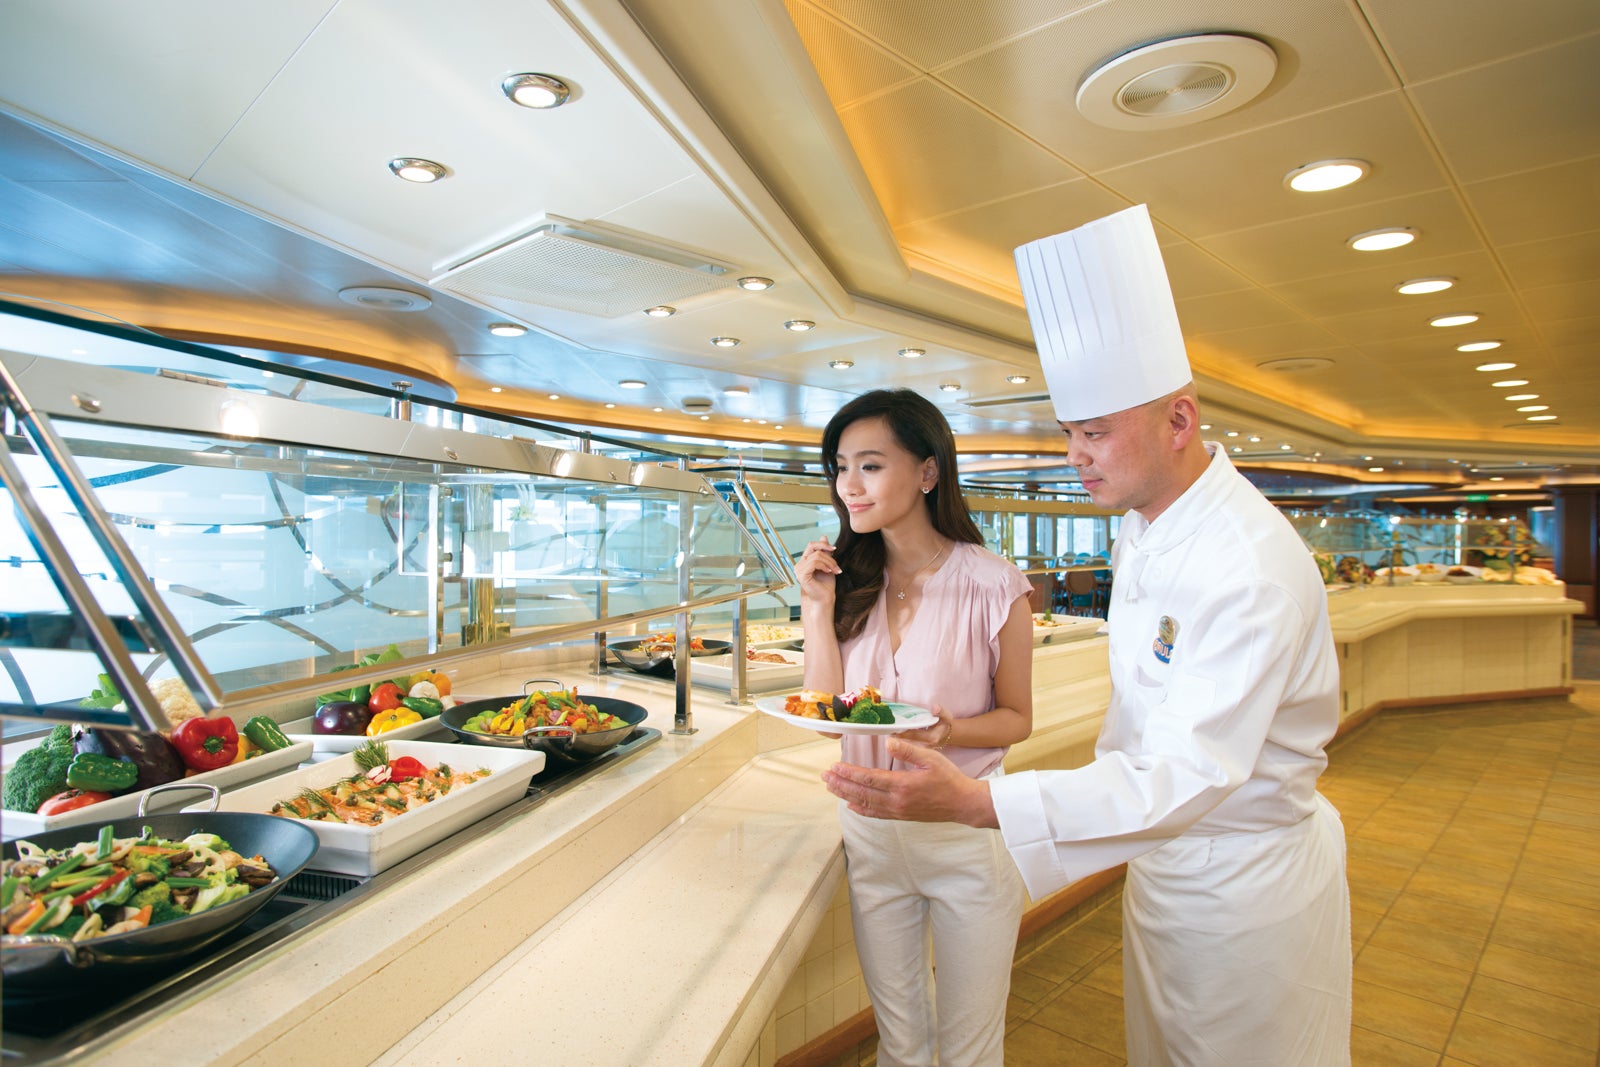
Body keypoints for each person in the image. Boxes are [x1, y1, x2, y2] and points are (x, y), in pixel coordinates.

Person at [821, 205, 1353, 1066]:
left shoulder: (1243, 564)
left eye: (1097, 431)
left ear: (1179, 421)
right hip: (1167, 867)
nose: (1076, 454)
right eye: (1070, 433)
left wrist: (979, 800)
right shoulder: (1148, 523)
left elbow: (1188, 772)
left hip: (1240, 882)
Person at [794, 387, 1034, 1067]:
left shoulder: (994, 584)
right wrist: (816, 607)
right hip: (869, 831)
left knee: (969, 1048)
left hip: (965, 835)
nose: (849, 486)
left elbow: (1017, 718)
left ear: (928, 472)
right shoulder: (848, 579)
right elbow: (825, 712)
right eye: (841, 467)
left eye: (870, 465)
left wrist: (947, 729)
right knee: (900, 1043)